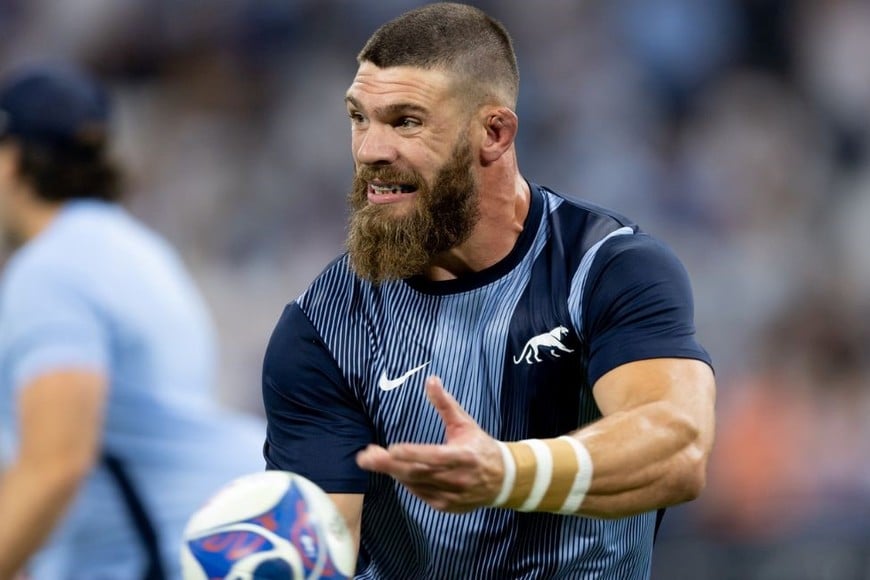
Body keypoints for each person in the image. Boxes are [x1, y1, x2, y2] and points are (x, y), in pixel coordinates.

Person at [261, 3, 716, 579]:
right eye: (359, 118)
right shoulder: (323, 328)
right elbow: (324, 549)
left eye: (406, 121)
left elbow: (678, 448)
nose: (370, 150)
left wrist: (506, 473)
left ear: (494, 133)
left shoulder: (607, 268)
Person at [0, 64, 266, 579]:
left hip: (156, 558)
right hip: (217, 536)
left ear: (11, 160)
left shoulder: (50, 270)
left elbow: (55, 464)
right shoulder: (139, 250)